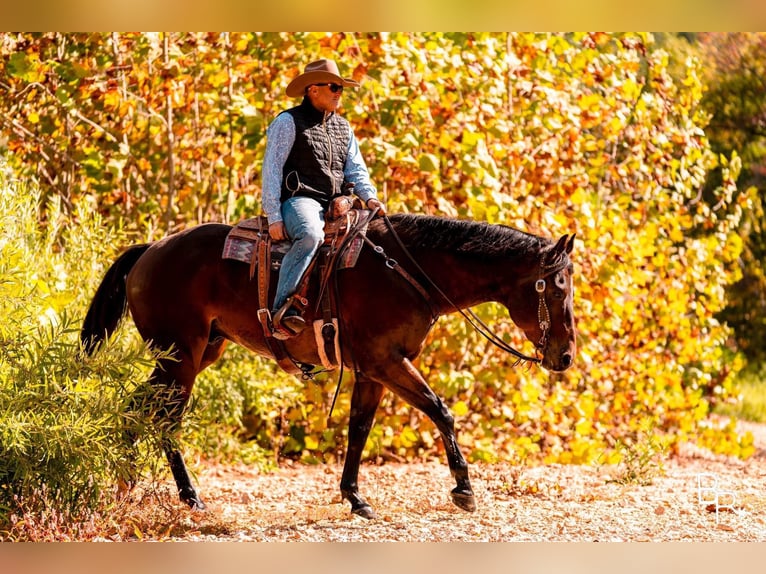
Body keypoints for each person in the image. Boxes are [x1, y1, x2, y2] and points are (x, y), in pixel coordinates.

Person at [261, 59, 386, 336]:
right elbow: (272, 168)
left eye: (340, 87)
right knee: (311, 236)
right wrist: (274, 215)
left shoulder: (344, 127)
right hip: (300, 199)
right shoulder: (287, 121)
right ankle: (282, 310)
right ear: (312, 90)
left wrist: (370, 198)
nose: (338, 92)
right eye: (333, 86)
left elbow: (356, 168)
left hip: (339, 202)